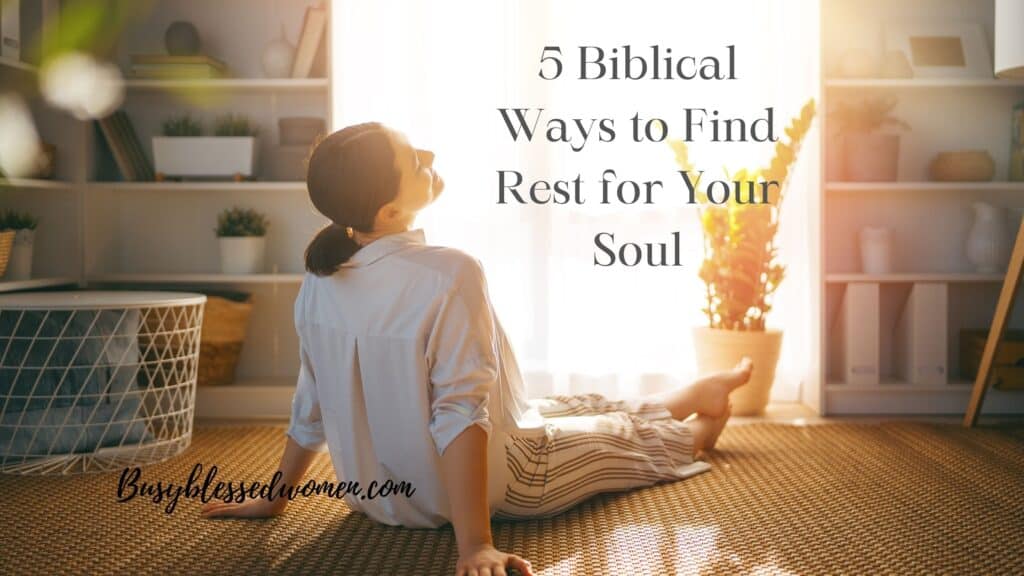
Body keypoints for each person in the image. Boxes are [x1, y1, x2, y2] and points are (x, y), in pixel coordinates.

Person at [200, 122, 754, 576]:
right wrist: (475, 547)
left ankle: (690, 392)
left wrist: (275, 497)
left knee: (574, 405)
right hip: (504, 481)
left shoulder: (320, 277)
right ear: (389, 213)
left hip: (374, 497)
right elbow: (460, 412)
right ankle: (701, 431)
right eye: (413, 159)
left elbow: (311, 402)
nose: (429, 151)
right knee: (622, 445)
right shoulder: (449, 272)